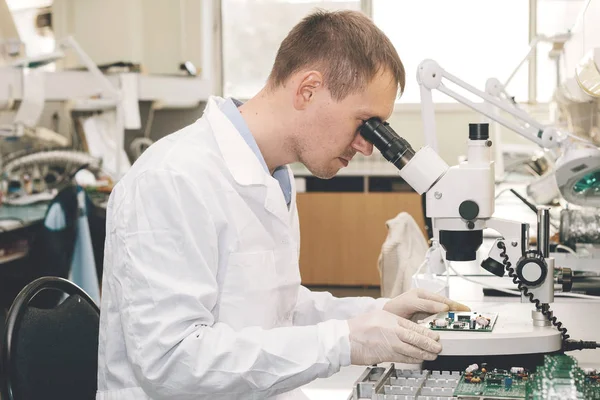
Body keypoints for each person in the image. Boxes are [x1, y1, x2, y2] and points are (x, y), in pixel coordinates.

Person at [96, 9, 469, 400]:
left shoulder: (274, 175)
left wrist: (380, 313)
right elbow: (171, 361)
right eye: (364, 123)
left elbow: (277, 307)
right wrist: (344, 341)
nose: (367, 145)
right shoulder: (172, 178)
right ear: (308, 90)